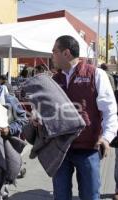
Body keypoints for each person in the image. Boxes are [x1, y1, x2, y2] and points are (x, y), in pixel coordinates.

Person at [51, 35, 118, 200]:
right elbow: (50, 111)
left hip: (88, 149)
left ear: (66, 53)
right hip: (61, 149)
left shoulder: (96, 74)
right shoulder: (54, 79)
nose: (52, 55)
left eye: (54, 51)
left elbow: (110, 110)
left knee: (90, 196)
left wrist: (107, 138)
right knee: (61, 196)